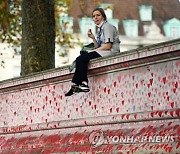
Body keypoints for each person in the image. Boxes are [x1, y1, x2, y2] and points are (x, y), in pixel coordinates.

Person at [65, 8, 120, 96]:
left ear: (104, 17)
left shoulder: (108, 27)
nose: (95, 18)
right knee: (81, 57)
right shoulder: (100, 29)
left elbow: (108, 46)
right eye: (93, 16)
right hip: (104, 51)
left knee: (82, 58)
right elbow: (99, 46)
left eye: (98, 15)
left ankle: (83, 84)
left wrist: (92, 51)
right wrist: (93, 38)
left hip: (111, 52)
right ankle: (77, 84)